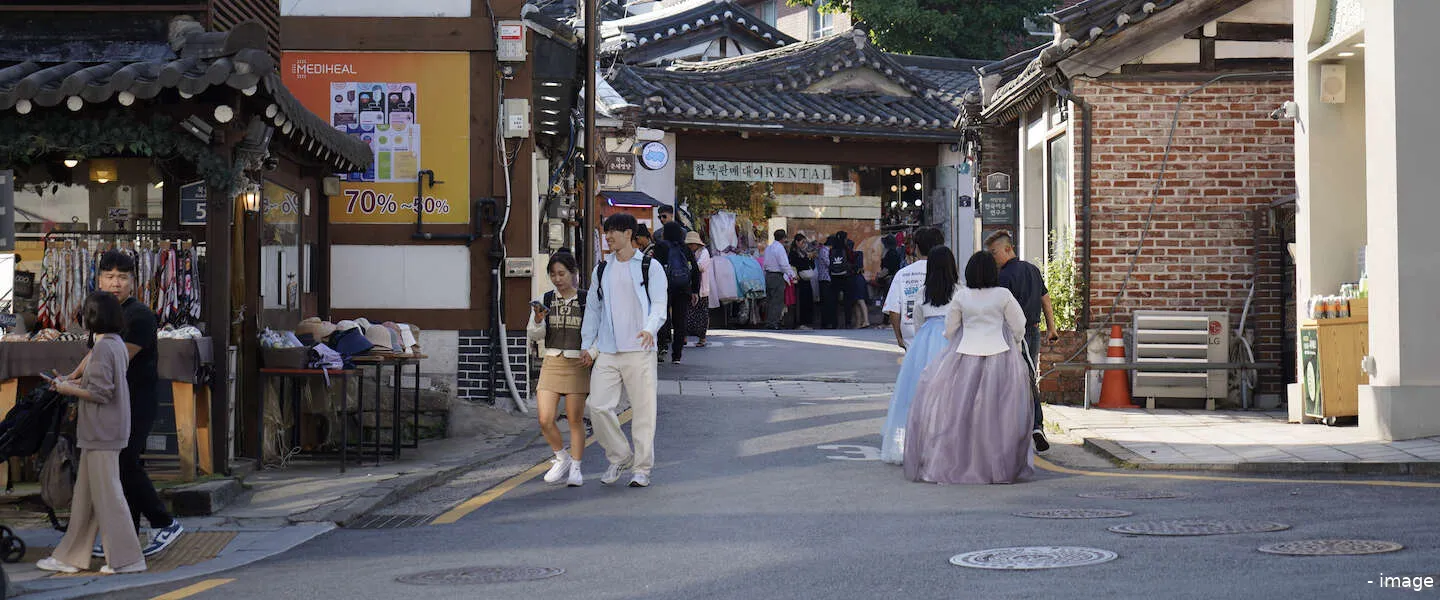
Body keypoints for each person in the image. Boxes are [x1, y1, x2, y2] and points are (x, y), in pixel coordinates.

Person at [64, 251, 182, 558]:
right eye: (110, 276)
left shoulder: (139, 314)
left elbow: (116, 359)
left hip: (136, 400)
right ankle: (123, 536)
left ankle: (163, 523)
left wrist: (75, 384)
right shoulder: (106, 312)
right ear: (99, 278)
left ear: (133, 281)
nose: (115, 283)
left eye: (123, 277)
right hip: (116, 400)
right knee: (121, 464)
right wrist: (73, 376)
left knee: (125, 461)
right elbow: (95, 352)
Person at [37, 292, 147, 574]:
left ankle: (127, 559)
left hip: (101, 431)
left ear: (90, 318)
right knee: (85, 500)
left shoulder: (103, 349)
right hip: (105, 431)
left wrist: (64, 388)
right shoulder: (115, 344)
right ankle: (70, 556)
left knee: (108, 497)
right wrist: (70, 378)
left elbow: (99, 393)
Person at [903, 251, 1034, 485]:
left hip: (965, 357)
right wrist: (1015, 342)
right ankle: (998, 464)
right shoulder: (1003, 295)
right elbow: (1019, 324)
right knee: (999, 413)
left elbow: (950, 328)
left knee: (961, 413)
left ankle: (964, 462)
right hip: (1000, 356)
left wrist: (953, 339)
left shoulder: (962, 297)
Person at [580, 213, 668, 488]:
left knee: (644, 412)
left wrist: (650, 328)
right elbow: (593, 309)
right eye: (606, 232)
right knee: (596, 406)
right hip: (608, 349)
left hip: (639, 350)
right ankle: (620, 455)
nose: (608, 237)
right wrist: (587, 345)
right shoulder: (602, 269)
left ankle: (642, 469)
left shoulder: (650, 267)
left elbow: (659, 305)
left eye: (613, 232)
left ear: (629, 234)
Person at [879, 246, 959, 465]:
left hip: (924, 343)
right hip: (951, 341)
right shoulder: (959, 291)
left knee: (918, 395)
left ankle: (921, 446)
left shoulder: (923, 293)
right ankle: (949, 447)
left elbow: (917, 322)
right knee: (951, 396)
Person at [984, 230, 1057, 453]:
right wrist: (1052, 328)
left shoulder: (1003, 277)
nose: (993, 258)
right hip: (1033, 331)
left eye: (994, 252)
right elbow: (1046, 300)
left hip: (1012, 334)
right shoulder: (1033, 269)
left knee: (1011, 381)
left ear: (1008, 249)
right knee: (1028, 378)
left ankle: (1030, 426)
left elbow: (1001, 310)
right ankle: (1032, 427)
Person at [527, 251, 591, 487]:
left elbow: (596, 332)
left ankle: (576, 467)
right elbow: (534, 336)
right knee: (544, 418)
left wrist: (592, 353)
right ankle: (561, 457)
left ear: (573, 274)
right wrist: (537, 319)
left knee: (575, 419)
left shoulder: (586, 300)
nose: (557, 278)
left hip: (577, 363)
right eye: (553, 274)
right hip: (552, 361)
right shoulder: (544, 299)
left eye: (562, 273)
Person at [883, 226, 944, 349]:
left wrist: (899, 338)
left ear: (917, 248)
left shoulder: (903, 274)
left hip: (911, 337)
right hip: (941, 339)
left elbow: (894, 310)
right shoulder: (946, 272)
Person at [652, 221, 700, 364]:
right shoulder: (685, 248)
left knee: (662, 318)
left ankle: (662, 348)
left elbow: (655, 268)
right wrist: (695, 291)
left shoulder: (660, 247)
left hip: (664, 289)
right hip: (683, 289)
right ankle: (677, 355)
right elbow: (695, 270)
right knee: (680, 322)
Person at [762, 229, 795, 330]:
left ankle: (768, 321)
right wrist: (792, 274)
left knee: (769, 299)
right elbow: (784, 264)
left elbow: (765, 263)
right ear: (783, 238)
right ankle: (774, 322)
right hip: (777, 275)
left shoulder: (769, 248)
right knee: (777, 300)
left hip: (768, 274)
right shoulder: (780, 248)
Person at [684, 231, 712, 347]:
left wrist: (689, 266)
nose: (690, 246)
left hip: (702, 288)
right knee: (687, 313)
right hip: (690, 287)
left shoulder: (704, 253)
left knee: (702, 314)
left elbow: (700, 267)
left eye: (692, 244)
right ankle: (684, 336)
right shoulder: (688, 253)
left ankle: (702, 338)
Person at [788, 233, 815, 329]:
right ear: (797, 242)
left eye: (805, 242)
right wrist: (805, 259)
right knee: (800, 302)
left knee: (808, 300)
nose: (804, 244)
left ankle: (808, 322)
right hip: (799, 280)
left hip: (807, 280)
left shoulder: (806, 252)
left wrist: (809, 258)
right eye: (802, 242)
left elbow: (812, 265)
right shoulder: (793, 253)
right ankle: (800, 322)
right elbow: (796, 264)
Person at [878, 235, 903, 324]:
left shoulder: (890, 253)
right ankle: (887, 321)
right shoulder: (894, 252)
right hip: (891, 279)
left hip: (889, 279)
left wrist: (879, 276)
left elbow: (887, 268)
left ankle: (886, 321)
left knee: (888, 301)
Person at [845, 238, 870, 328]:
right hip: (858, 278)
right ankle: (858, 323)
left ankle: (866, 321)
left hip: (856, 279)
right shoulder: (858, 254)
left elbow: (857, 267)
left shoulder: (851, 255)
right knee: (856, 301)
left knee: (860, 300)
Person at [816, 236, 835, 329]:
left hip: (825, 279)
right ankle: (826, 322)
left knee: (827, 302)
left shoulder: (823, 250)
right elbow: (829, 264)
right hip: (825, 279)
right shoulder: (825, 251)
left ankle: (827, 322)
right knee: (826, 302)